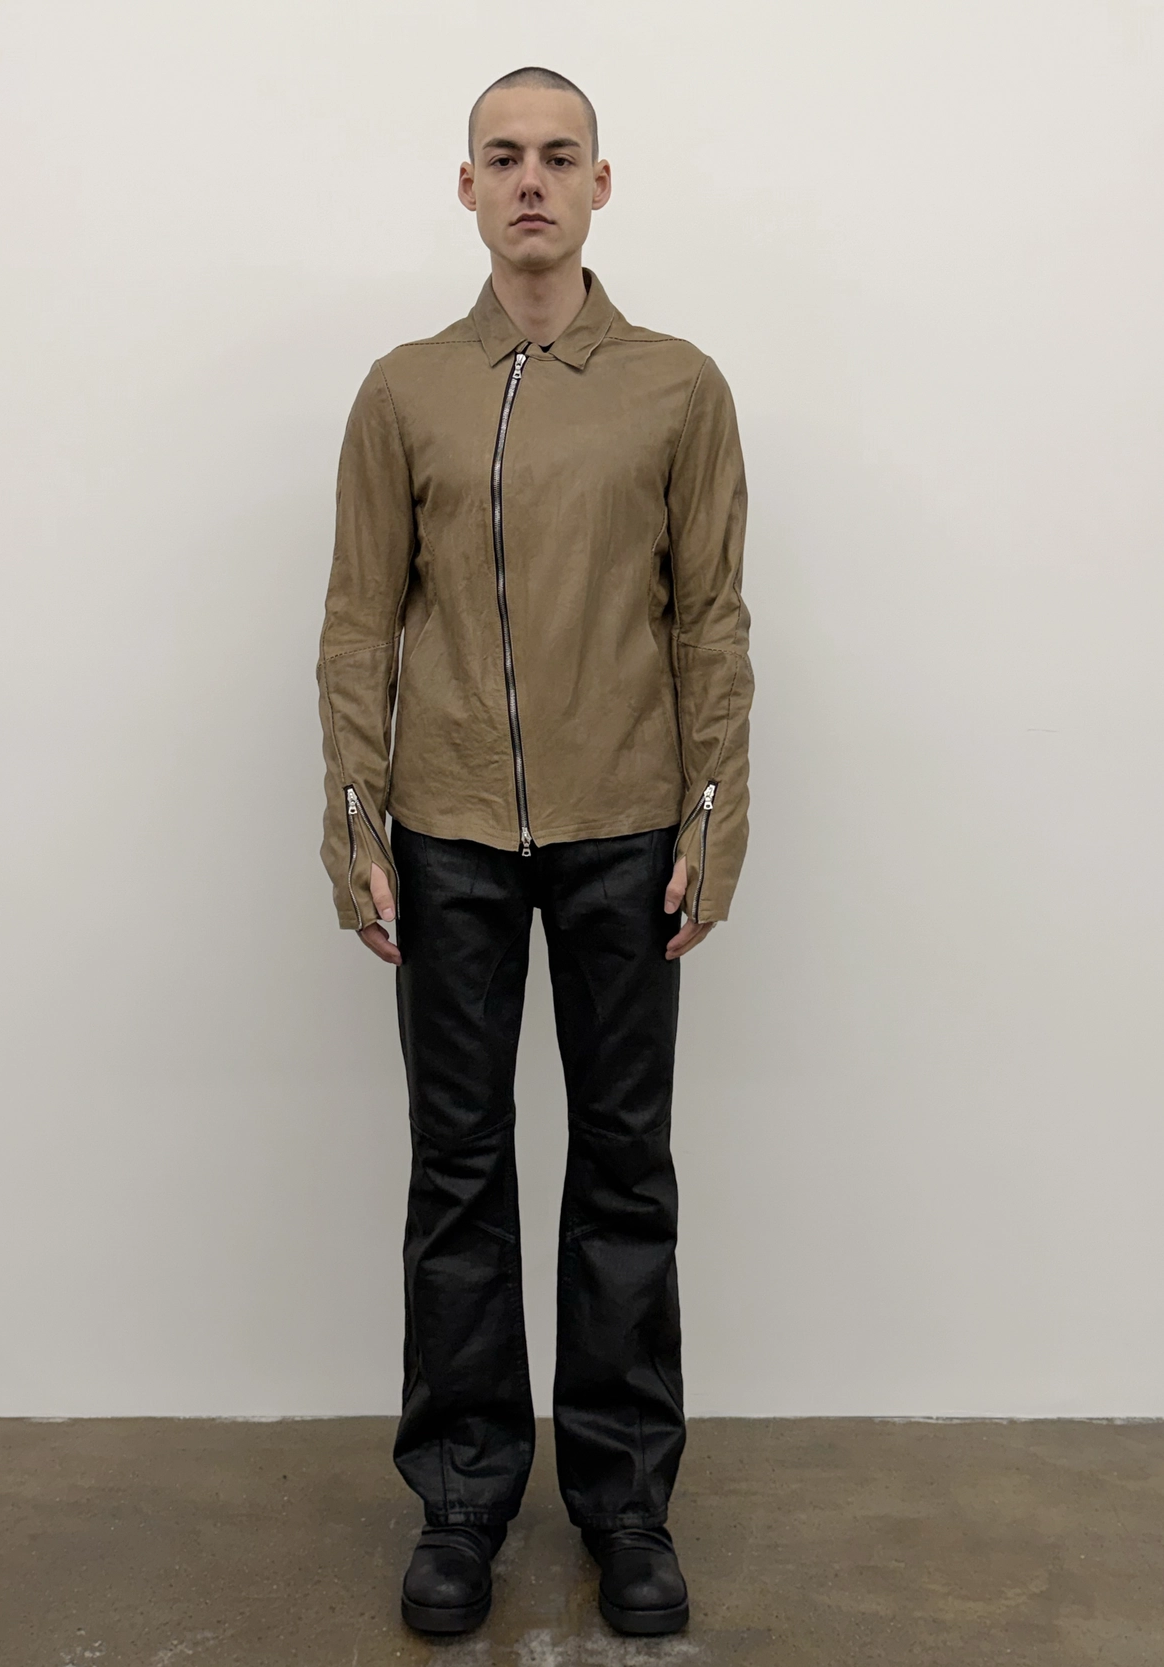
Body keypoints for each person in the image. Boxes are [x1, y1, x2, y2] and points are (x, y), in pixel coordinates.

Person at [316, 65, 752, 1639]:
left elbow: (708, 618)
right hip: (444, 833)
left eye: (558, 157)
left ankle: (627, 1503)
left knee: (623, 1167)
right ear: (465, 184)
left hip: (625, 828)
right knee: (460, 1169)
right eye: (502, 156)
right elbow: (360, 616)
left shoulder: (674, 386)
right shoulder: (405, 390)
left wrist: (713, 814)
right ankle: (462, 1500)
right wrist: (354, 812)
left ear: (598, 184)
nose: (529, 182)